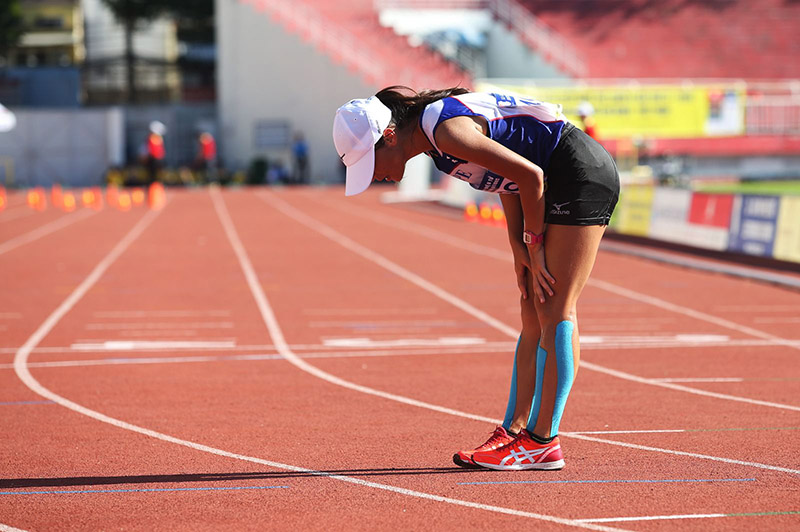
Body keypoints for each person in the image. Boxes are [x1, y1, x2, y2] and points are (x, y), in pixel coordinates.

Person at [333, 87, 619, 471]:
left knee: (554, 306)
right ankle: (515, 430)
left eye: (372, 162)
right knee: (532, 307)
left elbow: (530, 175)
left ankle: (541, 442)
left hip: (578, 172)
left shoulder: (446, 132)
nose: (376, 176)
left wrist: (533, 246)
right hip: (555, 178)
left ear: (389, 135)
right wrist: (520, 249)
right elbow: (506, 182)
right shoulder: (436, 147)